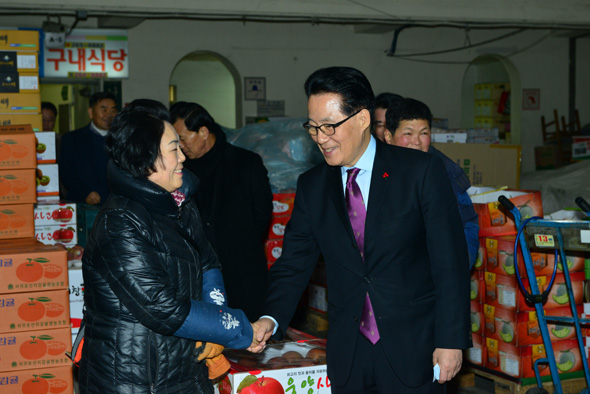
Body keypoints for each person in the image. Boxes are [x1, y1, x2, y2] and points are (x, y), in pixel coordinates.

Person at [252, 67, 471, 393]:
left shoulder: (420, 172)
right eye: (312, 127)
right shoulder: (313, 186)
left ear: (363, 119)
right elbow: (294, 261)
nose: (320, 138)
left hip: (415, 345)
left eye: (329, 126)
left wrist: (451, 340)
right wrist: (270, 318)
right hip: (349, 350)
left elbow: (449, 262)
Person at [79, 99, 257, 394]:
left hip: (185, 371)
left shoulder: (180, 204)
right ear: (147, 160)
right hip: (134, 380)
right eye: (174, 149)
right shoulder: (119, 222)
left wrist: (216, 320)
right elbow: (162, 307)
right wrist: (237, 329)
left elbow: (208, 262)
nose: (183, 158)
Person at [170, 102, 273, 322]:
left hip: (243, 273)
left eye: (182, 138)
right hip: (199, 277)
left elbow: (262, 213)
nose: (179, 146)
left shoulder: (246, 164)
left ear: (204, 132)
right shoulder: (180, 172)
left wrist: (237, 246)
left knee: (247, 343)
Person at [384, 97, 479, 269]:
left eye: (424, 133)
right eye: (408, 133)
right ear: (388, 136)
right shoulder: (374, 171)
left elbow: (467, 225)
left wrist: (455, 266)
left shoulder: (445, 173)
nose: (417, 142)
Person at [59, 92, 118, 205]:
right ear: (91, 112)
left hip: (116, 205)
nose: (109, 115)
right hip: (83, 203)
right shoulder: (72, 139)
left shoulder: (123, 139)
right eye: (104, 110)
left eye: (113, 110)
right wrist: (85, 193)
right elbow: (66, 172)